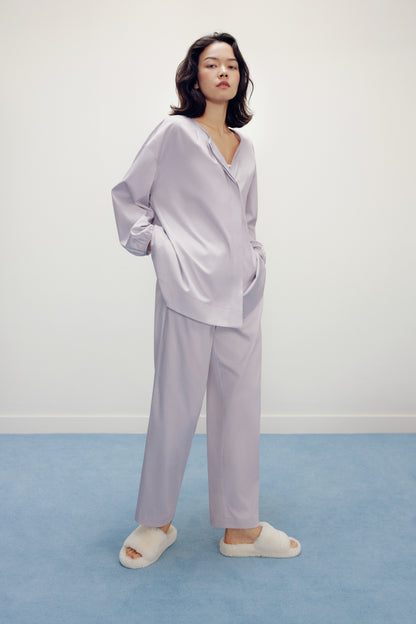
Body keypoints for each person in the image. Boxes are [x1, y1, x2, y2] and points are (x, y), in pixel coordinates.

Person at [112, 32, 301, 568]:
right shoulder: (174, 133)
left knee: (240, 408)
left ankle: (241, 527)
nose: (223, 72)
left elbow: (247, 220)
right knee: (175, 406)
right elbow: (129, 197)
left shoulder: (246, 148)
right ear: (194, 75)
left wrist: (255, 260)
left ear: (240, 78)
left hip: (242, 292)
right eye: (212, 63)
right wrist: (158, 247)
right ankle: (156, 521)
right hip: (187, 288)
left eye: (232, 65)